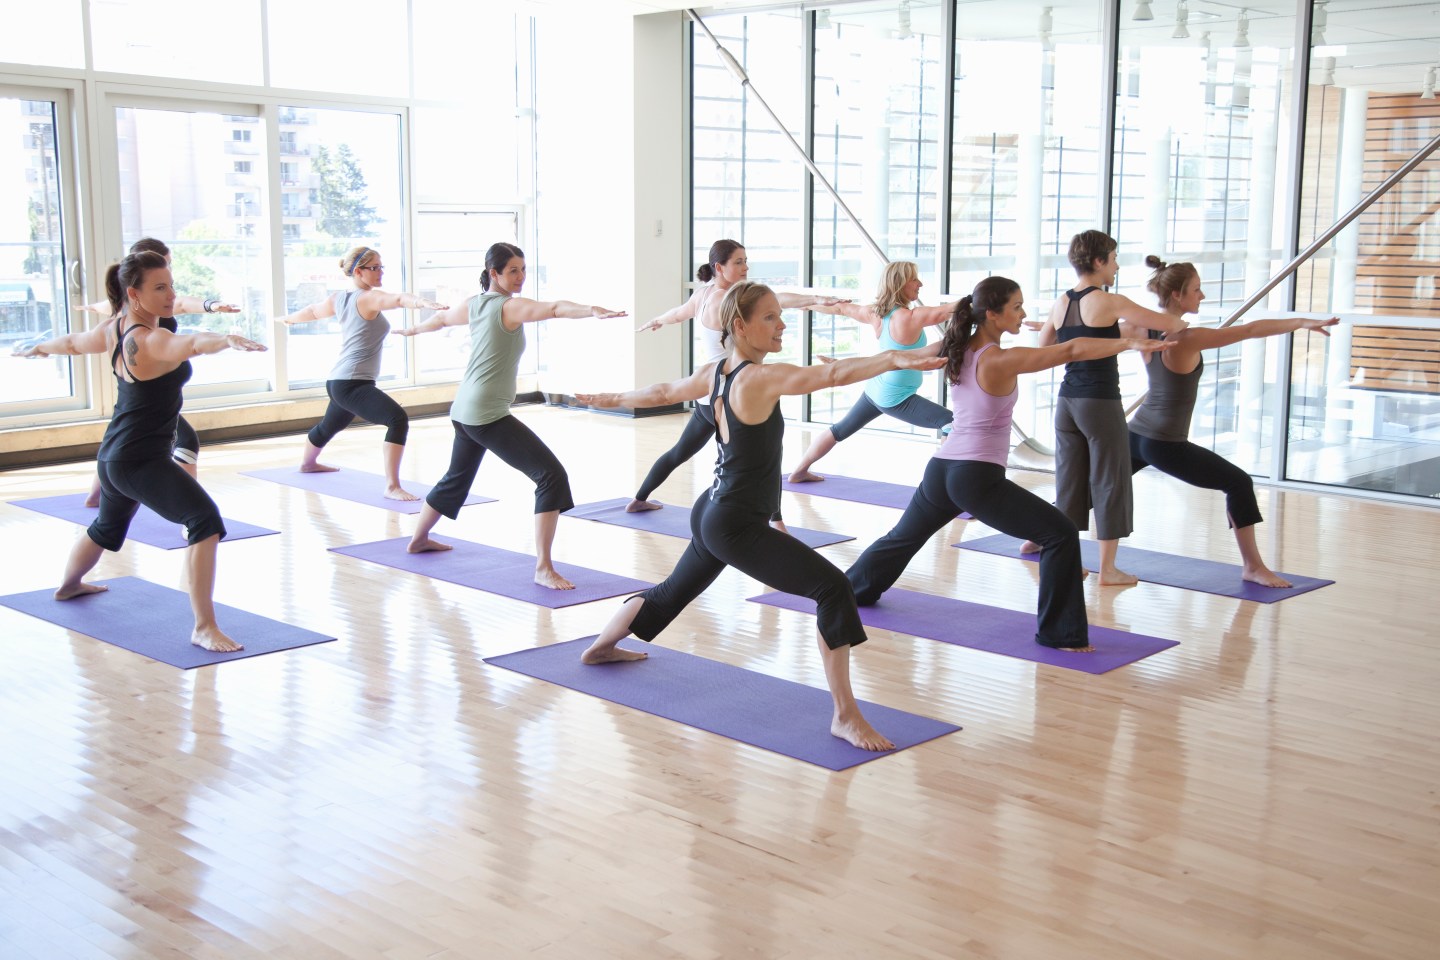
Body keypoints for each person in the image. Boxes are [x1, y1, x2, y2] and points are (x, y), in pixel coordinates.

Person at [574, 280, 947, 752]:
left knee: (673, 590)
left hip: (714, 511)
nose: (781, 324)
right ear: (739, 325)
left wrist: (607, 399)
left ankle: (600, 647)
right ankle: (845, 717)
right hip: (733, 522)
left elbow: (663, 390)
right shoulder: (757, 379)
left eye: (779, 315)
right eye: (769, 317)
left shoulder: (716, 373)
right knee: (832, 589)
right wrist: (893, 359)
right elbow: (829, 377)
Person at [845, 277, 1173, 651]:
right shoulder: (1000, 359)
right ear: (993, 314)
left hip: (943, 469)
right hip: (975, 476)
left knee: (902, 538)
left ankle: (849, 590)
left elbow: (897, 358)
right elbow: (1071, 350)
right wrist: (1128, 342)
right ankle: (1060, 634)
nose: (1023, 313)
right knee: (1059, 534)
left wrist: (849, 367)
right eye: (1016, 307)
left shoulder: (957, 347)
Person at [13, 250, 266, 652]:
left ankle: (69, 585)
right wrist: (226, 340)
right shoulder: (151, 338)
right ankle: (203, 626)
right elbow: (192, 342)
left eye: (171, 286)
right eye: (160, 288)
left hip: (113, 456)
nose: (170, 295)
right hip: (139, 460)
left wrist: (39, 348)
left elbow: (75, 344)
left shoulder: (116, 327)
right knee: (205, 522)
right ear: (134, 293)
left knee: (108, 527)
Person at [397, 242, 624, 590]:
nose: (520, 277)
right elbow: (554, 308)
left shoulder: (474, 305)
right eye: (513, 270)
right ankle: (543, 568)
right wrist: (591, 310)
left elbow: (442, 319)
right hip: (485, 413)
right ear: (494, 274)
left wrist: (413, 330)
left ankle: (419, 539)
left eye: (523, 269)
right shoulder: (509, 307)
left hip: (464, 410)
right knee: (551, 476)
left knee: (456, 478)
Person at [1130, 255, 1338, 587]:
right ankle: (1253, 567)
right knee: (1238, 483)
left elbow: (1097, 330)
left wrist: (1056, 326)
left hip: (1136, 434)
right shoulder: (1187, 338)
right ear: (1176, 297)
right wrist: (1299, 322)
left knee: (1098, 484)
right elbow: (1250, 330)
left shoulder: (1143, 327)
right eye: (1196, 290)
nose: (1202, 296)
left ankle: (1040, 535)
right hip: (1164, 443)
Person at [630, 239, 842, 529]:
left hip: (708, 393)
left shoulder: (702, 296)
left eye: (745, 260)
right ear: (719, 267)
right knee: (768, 454)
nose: (745, 267)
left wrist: (657, 320)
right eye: (738, 262)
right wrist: (814, 299)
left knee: (681, 451)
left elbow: (678, 314)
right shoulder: (726, 301)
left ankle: (640, 498)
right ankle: (777, 522)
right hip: (736, 393)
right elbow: (776, 300)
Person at [1027, 230, 1189, 585]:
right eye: (1113, 259)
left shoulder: (1062, 301)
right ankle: (1109, 570)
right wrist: (1134, 332)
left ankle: (1067, 560)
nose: (1115, 266)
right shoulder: (1108, 301)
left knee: (1069, 484)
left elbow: (1045, 347)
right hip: (1098, 402)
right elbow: (1171, 324)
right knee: (1110, 480)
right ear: (1099, 261)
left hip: (1067, 401)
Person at [76, 237, 240, 507]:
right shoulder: (140, 311)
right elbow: (188, 329)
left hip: (147, 385)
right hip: (148, 385)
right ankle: (188, 510)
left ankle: (97, 496)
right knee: (185, 442)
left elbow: (185, 304)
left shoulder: (148, 302)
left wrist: (211, 305)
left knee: (118, 441)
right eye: (164, 268)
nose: (169, 289)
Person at [280, 246, 447, 501]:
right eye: (375, 267)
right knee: (397, 419)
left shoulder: (339, 298)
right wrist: (422, 302)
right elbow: (399, 299)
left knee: (330, 425)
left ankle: (308, 464)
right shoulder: (367, 298)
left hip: (339, 380)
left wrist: (289, 320)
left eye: (382, 266)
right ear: (358, 271)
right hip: (352, 383)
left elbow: (313, 312)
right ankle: (392, 486)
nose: (380, 272)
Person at [787, 260, 958, 483]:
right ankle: (940, 486)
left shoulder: (876, 313)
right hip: (897, 397)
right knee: (950, 423)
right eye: (914, 279)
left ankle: (799, 471)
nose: (920, 283)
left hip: (876, 389)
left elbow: (839, 308)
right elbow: (947, 311)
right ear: (901, 283)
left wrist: (808, 305)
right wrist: (984, 297)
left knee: (839, 430)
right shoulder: (908, 317)